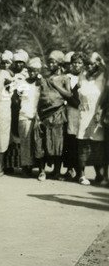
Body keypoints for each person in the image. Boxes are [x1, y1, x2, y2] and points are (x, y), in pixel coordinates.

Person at [34, 50, 71, 181]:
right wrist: (37, 114)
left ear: (60, 63)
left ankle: (56, 172)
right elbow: (39, 96)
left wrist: (56, 84)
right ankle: (42, 171)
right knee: (42, 143)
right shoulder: (44, 78)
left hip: (58, 114)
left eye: (53, 62)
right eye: (49, 61)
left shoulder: (64, 78)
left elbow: (69, 95)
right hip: (44, 114)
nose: (51, 64)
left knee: (57, 144)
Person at [76, 52, 107, 185]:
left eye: (92, 64)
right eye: (87, 63)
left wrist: (100, 110)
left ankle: (99, 175)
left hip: (98, 113)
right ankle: (81, 175)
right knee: (83, 142)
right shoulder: (81, 76)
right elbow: (76, 93)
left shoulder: (103, 76)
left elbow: (106, 96)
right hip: (84, 113)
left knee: (97, 143)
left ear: (98, 64)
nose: (88, 66)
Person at [15, 57, 41, 174]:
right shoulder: (22, 83)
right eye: (30, 70)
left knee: (36, 142)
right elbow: (16, 97)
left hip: (37, 117)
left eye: (35, 70)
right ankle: (26, 166)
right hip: (24, 115)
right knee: (25, 141)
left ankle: (36, 166)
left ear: (38, 71)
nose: (32, 72)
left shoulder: (40, 84)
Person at [62, 52, 85, 180]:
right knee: (70, 140)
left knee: (80, 140)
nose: (76, 65)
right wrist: (77, 86)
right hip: (72, 111)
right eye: (74, 63)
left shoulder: (87, 76)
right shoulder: (67, 77)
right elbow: (68, 95)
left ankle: (80, 171)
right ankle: (70, 169)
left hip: (83, 112)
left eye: (79, 63)